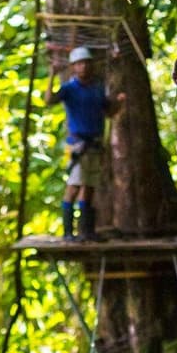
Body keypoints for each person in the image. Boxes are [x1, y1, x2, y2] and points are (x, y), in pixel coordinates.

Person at [45, 45, 123, 240]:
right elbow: (49, 100)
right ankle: (68, 233)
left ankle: (86, 232)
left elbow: (109, 112)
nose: (84, 67)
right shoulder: (69, 89)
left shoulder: (97, 88)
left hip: (95, 144)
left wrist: (119, 102)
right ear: (73, 67)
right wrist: (52, 76)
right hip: (78, 145)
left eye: (86, 63)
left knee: (89, 187)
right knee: (74, 186)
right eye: (79, 64)